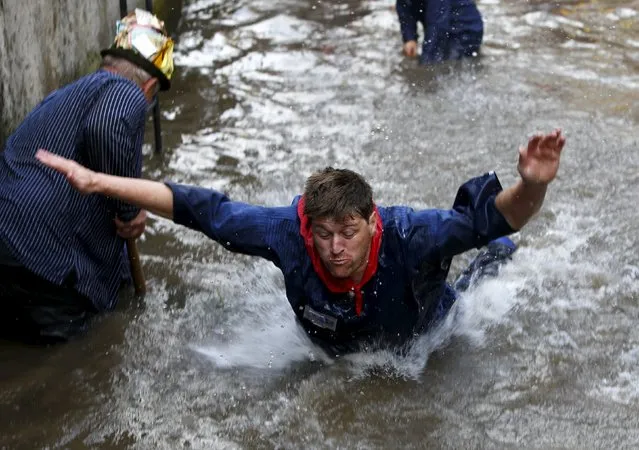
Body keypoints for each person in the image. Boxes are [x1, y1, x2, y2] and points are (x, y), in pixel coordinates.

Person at [36, 129, 565, 354]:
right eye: (325, 235)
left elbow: (492, 218)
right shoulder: (285, 234)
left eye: (348, 234)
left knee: (480, 272)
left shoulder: (411, 233)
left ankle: (497, 266)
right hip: (339, 346)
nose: (336, 248)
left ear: (372, 224)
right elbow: (198, 207)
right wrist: (96, 182)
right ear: (307, 228)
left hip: (422, 330)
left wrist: (533, 184)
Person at [0, 9, 174, 343]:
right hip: (41, 254)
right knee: (72, 367)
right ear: (150, 85)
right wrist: (130, 209)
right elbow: (106, 127)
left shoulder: (69, 95)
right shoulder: (125, 91)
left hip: (8, 243)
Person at [396, 0, 484, 65]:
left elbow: (437, 26)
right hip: (440, 21)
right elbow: (404, 7)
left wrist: (425, 64)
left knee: (449, 66)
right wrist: (410, 38)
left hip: (467, 29)